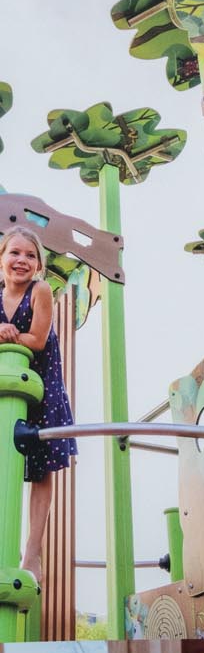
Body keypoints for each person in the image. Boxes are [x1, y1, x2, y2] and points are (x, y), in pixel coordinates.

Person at [0, 228, 77, 577]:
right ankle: (7, 539)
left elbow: (38, 338)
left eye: (30, 256)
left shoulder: (40, 290)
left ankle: (33, 549)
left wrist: (10, 333)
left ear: (39, 264)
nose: (22, 261)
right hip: (7, 386)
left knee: (40, 466)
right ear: (2, 258)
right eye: (15, 253)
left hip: (41, 385)